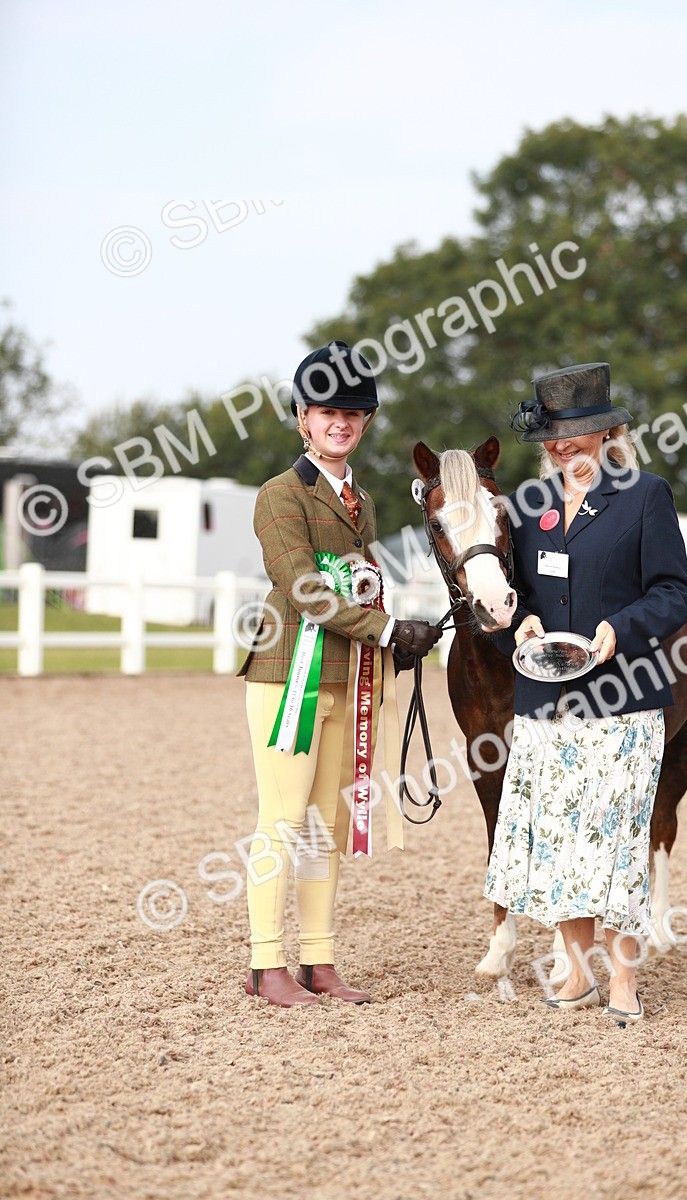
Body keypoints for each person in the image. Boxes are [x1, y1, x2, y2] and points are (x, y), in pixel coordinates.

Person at [485, 362, 687, 1027]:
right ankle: (575, 969)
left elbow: (674, 592)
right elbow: (510, 603)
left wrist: (618, 628)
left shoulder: (645, 496)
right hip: (546, 706)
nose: (562, 446)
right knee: (558, 841)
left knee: (617, 842)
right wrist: (516, 622)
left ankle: (625, 977)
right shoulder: (528, 508)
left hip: (625, 703)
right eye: (553, 436)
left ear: (608, 434)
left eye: (575, 434)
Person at [238, 340, 441, 1007]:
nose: (340, 424)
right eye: (327, 413)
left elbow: (361, 588)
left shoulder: (363, 501)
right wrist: (383, 629)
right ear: (302, 418)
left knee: (325, 821)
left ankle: (318, 961)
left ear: (367, 422)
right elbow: (305, 589)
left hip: (348, 676)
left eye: (353, 414)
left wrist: (396, 637)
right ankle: (267, 963)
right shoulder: (279, 496)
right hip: (287, 676)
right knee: (283, 817)